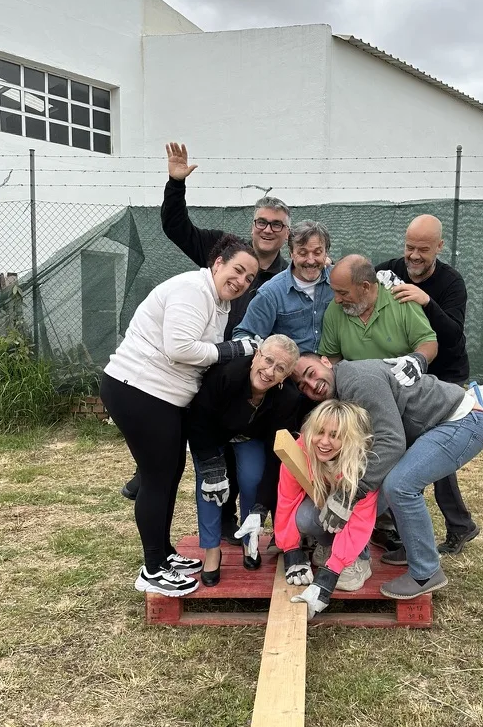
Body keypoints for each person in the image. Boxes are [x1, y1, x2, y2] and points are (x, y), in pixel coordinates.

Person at [122, 142, 291, 541]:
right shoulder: (225, 249)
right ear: (252, 226)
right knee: (198, 434)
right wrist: (175, 184)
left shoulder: (286, 277)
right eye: (262, 222)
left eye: (277, 225)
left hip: (250, 373)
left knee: (242, 449)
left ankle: (240, 521)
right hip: (206, 365)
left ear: (286, 234)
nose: (268, 229)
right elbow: (176, 227)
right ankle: (153, 477)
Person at [101, 235, 260, 599]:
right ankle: (153, 568)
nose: (241, 281)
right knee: (158, 478)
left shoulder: (219, 302)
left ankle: (164, 553)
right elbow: (180, 348)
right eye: (237, 270)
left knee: (169, 474)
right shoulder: (193, 290)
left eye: (249, 278)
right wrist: (232, 350)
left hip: (163, 396)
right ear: (218, 263)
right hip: (139, 388)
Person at [290, 353, 483, 618]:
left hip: (459, 421)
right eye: (302, 385)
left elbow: (391, 442)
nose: (311, 385)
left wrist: (350, 493)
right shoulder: (341, 389)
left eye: (311, 373)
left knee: (399, 485)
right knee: (381, 481)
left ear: (326, 362)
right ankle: (410, 548)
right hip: (431, 427)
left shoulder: (357, 381)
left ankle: (426, 572)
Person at [375, 213, 477, 557]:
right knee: (407, 449)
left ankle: (424, 532)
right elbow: (359, 280)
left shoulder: (451, 283)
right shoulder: (390, 269)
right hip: (407, 374)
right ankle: (442, 526)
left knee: (430, 449)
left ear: (439, 247)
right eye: (409, 247)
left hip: (445, 374)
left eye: (423, 249)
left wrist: (426, 301)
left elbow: (453, 335)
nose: (414, 256)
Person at [187, 335, 302, 586]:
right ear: (256, 355)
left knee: (253, 477)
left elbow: (276, 454)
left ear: (286, 376)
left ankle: (250, 539)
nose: (269, 371)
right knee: (210, 487)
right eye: (268, 360)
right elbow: (198, 421)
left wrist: (262, 507)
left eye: (280, 368)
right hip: (211, 435)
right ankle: (212, 549)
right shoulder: (225, 374)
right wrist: (212, 466)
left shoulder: (288, 398)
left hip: (250, 437)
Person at [277, 401, 378, 598]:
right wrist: (291, 550)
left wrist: (332, 571)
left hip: (364, 511)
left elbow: (361, 519)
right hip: (328, 504)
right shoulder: (300, 450)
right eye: (320, 432)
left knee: (352, 511)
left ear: (349, 438)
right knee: (305, 517)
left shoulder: (363, 464)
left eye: (335, 435)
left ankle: (360, 558)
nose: (324, 442)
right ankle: (327, 545)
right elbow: (286, 501)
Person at [233, 220, 333, 353]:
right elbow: (244, 334)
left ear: (326, 253)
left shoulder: (340, 280)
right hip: (292, 364)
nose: (310, 260)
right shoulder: (271, 293)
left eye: (317, 252)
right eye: (303, 253)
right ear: (291, 253)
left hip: (336, 362)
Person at [319, 254, 438, 366]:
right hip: (355, 378)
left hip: (398, 378)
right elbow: (332, 359)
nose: (337, 300)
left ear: (365, 287)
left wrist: (418, 360)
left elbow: (428, 343)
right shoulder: (335, 309)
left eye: (343, 293)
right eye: (334, 291)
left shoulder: (401, 299)